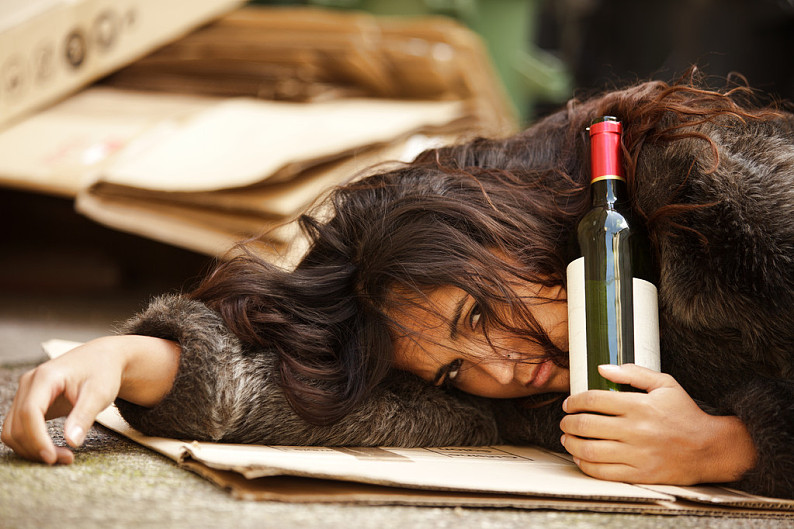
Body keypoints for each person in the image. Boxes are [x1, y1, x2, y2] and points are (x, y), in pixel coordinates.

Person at [3, 72, 793, 499]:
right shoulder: (510, 397)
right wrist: (125, 358)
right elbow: (311, 394)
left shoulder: (719, 198)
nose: (500, 369)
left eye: (479, 312)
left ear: (509, 233)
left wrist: (733, 447)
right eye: (453, 369)